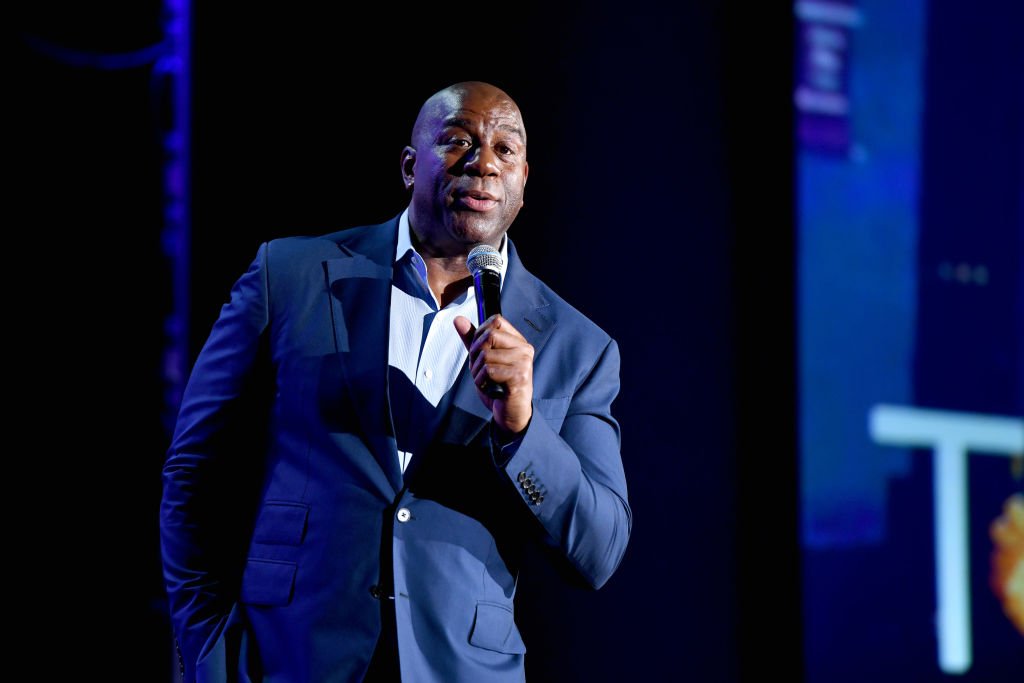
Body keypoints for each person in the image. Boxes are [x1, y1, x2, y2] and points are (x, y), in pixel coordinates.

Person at [159, 80, 631, 683]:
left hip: (460, 669)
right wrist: (205, 650)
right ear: (411, 166)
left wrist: (521, 429)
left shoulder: (577, 346)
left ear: (522, 181)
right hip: (288, 658)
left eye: (504, 149)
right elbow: (194, 471)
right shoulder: (291, 276)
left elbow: (599, 549)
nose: (482, 161)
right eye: (458, 140)